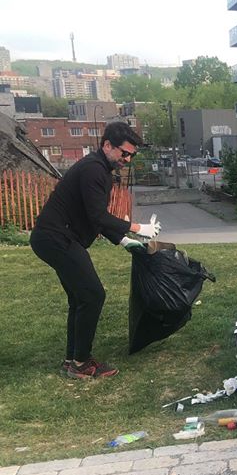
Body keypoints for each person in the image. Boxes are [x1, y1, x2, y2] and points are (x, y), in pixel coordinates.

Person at [30, 121, 162, 379]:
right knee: (93, 296)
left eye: (131, 155)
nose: (127, 159)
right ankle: (81, 363)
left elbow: (93, 218)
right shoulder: (93, 170)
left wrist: (124, 241)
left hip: (55, 238)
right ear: (107, 145)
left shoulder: (99, 169)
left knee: (80, 298)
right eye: (123, 153)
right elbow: (98, 216)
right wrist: (137, 227)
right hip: (57, 238)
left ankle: (72, 360)